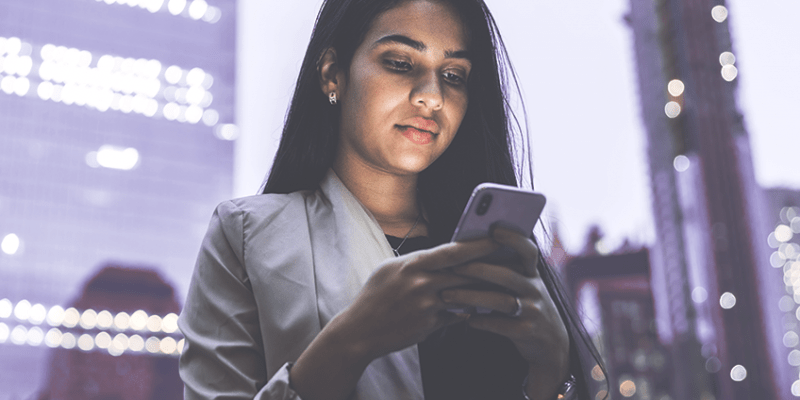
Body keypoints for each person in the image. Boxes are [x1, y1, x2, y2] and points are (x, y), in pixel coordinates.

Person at [178, 0, 606, 399]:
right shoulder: (246, 235)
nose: (432, 96)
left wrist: (552, 368)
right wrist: (352, 341)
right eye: (401, 63)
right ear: (332, 74)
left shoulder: (496, 254)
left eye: (453, 75)